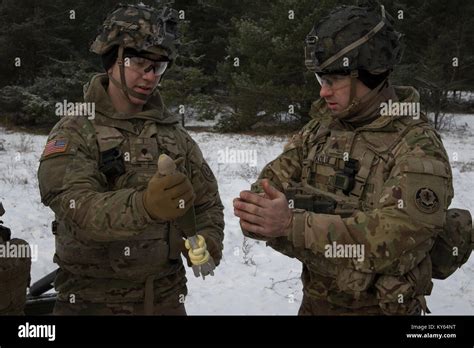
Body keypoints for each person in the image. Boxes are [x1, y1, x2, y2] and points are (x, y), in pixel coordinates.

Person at [233, 3, 455, 315]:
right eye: (319, 80)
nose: (323, 93)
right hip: (314, 304)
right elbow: (264, 194)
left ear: (372, 73)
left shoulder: (417, 145)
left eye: (333, 80)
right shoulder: (319, 130)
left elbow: (397, 242)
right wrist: (268, 217)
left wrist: (292, 225)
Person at [37, 3, 224, 315]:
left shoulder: (174, 136)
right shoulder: (75, 130)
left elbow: (206, 203)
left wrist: (206, 242)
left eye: (158, 67)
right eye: (138, 62)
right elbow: (75, 208)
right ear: (112, 58)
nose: (149, 77)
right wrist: (145, 206)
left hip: (166, 301)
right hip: (90, 304)